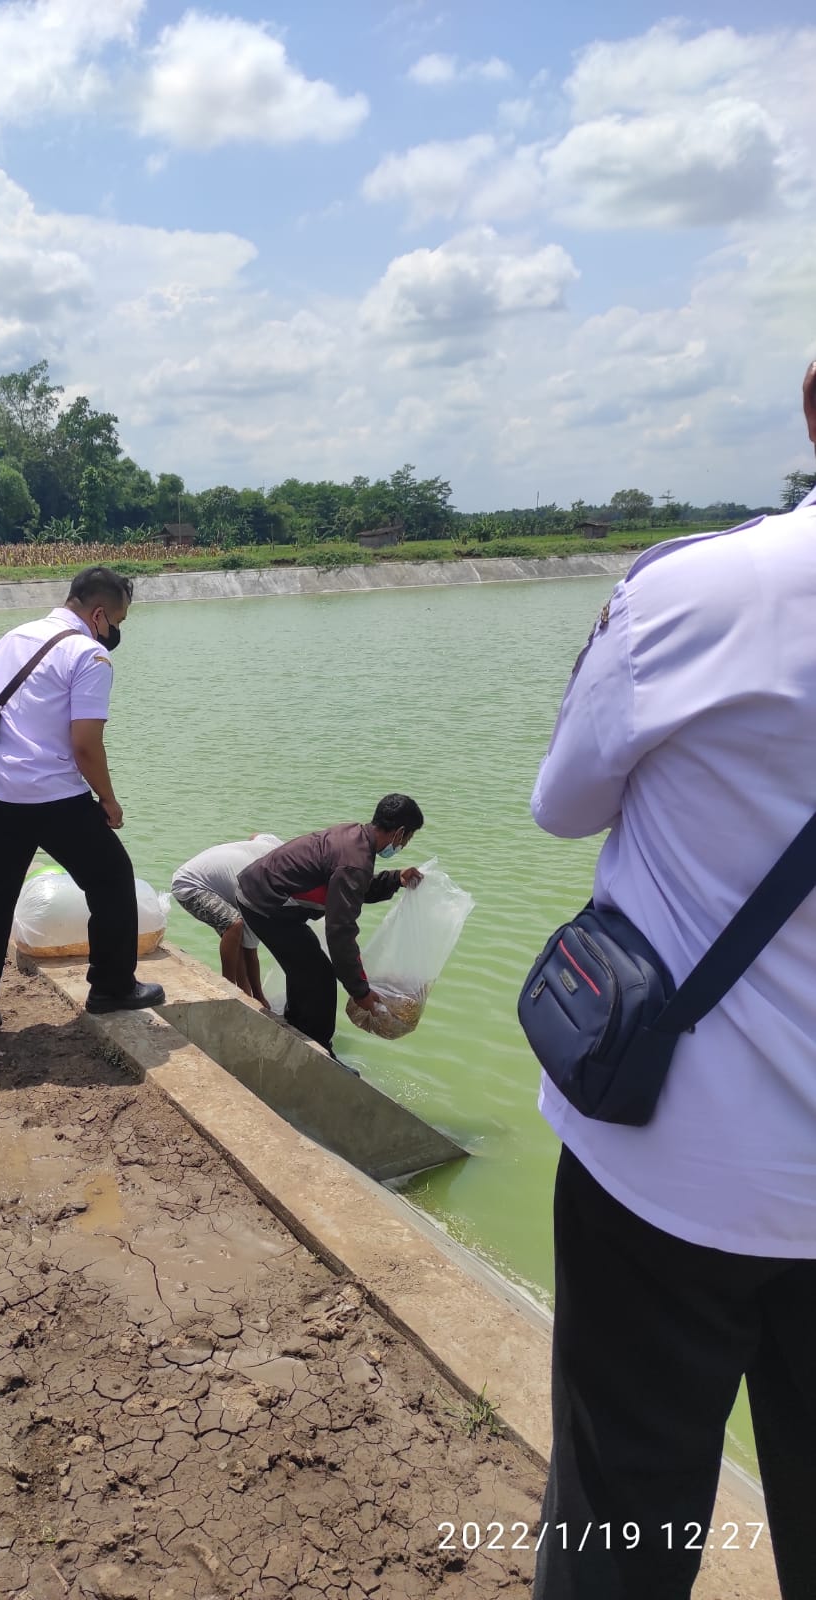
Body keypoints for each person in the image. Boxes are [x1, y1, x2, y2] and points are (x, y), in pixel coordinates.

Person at [528, 363, 816, 1600]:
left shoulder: (695, 593)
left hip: (666, 1162)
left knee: (622, 1519)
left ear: (812, 402)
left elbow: (561, 805)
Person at [0, 566, 165, 1050]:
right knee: (112, 879)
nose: (115, 633)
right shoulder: (88, 655)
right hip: (53, 797)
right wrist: (108, 799)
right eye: (117, 622)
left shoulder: (13, 637)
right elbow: (85, 745)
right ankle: (111, 987)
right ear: (99, 613)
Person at [235, 795, 425, 1057]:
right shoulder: (355, 861)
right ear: (400, 832)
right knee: (320, 977)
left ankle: (297, 1030)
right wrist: (360, 991)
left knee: (306, 968)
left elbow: (354, 889)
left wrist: (394, 879)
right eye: (408, 838)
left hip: (261, 894)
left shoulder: (355, 837)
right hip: (266, 904)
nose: (403, 844)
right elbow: (340, 932)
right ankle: (319, 1052)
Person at [172, 835, 283, 1007]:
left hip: (209, 882)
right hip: (190, 885)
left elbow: (255, 835)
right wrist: (260, 995)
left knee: (237, 936)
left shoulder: (278, 847)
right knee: (234, 924)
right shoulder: (263, 889)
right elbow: (251, 952)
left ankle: (244, 995)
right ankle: (228, 989)